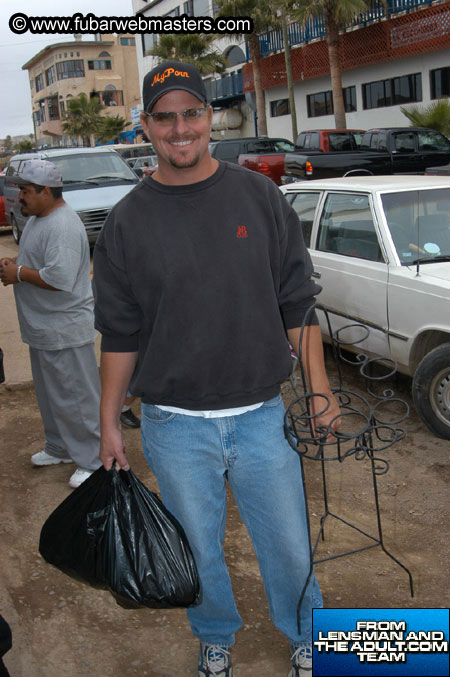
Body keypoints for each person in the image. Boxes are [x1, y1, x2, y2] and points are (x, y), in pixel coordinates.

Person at [93, 61, 340, 677]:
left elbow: (296, 303)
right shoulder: (126, 222)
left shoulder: (257, 195)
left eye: (192, 113)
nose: (181, 129)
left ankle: (310, 636)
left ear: (210, 117)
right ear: (145, 126)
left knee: (287, 546)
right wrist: (108, 422)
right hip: (175, 426)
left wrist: (319, 390)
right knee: (198, 551)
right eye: (165, 117)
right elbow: (119, 335)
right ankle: (214, 638)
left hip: (261, 416)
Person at [0, 159, 101, 488]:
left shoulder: (62, 226)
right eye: (19, 190)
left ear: (47, 191)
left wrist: (18, 274)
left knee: (76, 397)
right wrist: (17, 264)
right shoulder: (38, 220)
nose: (20, 198)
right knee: (51, 395)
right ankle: (59, 447)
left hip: (64, 330)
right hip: (44, 329)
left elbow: (59, 278)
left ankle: (93, 459)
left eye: (26, 191)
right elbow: (38, 262)